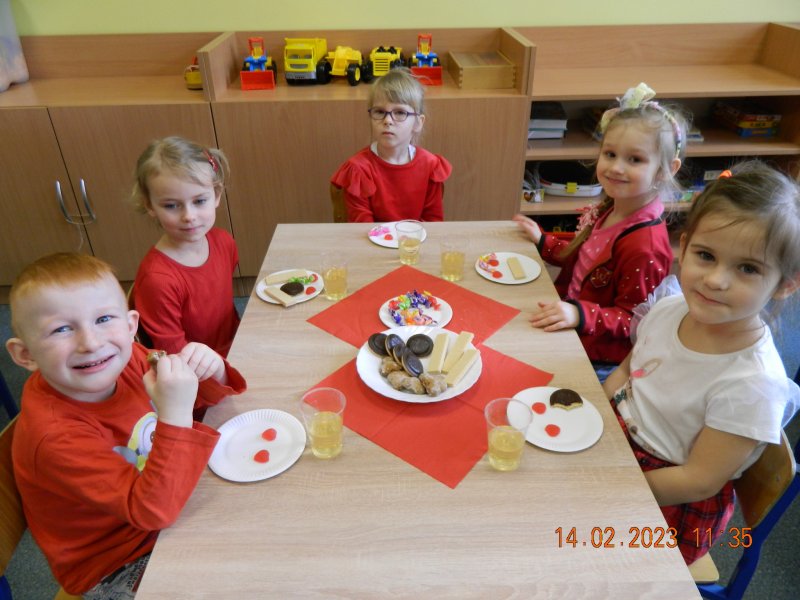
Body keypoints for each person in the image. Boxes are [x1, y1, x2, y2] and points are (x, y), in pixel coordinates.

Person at [5, 252, 247, 598]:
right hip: (117, 563)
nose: (91, 343)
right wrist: (176, 415)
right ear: (25, 355)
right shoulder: (54, 436)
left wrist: (213, 371)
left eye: (103, 319)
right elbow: (152, 511)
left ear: (131, 326)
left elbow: (193, 396)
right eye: (61, 329)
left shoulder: (128, 357)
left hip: (164, 504)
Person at [602, 161, 800, 565]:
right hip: (622, 442)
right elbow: (627, 372)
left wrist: (608, 485)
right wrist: (598, 422)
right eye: (706, 256)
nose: (715, 280)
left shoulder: (752, 384)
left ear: (785, 284)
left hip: (668, 502)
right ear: (685, 245)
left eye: (747, 268)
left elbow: (698, 480)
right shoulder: (671, 308)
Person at [513, 82, 686, 381]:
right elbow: (584, 257)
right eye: (610, 154)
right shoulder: (613, 207)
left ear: (665, 170)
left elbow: (633, 320)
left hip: (597, 357)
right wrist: (544, 241)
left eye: (635, 159)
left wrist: (580, 314)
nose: (616, 167)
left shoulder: (645, 246)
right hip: (571, 322)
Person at [131, 136, 240, 357]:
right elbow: (174, 355)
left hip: (237, 346)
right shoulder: (158, 280)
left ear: (216, 195)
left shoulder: (224, 242)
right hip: (195, 370)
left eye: (199, 201)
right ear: (150, 206)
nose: (189, 216)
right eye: (172, 205)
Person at [331, 67, 452, 223]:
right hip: (372, 238)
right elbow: (361, 227)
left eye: (400, 112)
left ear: (418, 123)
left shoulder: (430, 166)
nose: (387, 120)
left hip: (416, 239)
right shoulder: (358, 170)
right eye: (380, 112)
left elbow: (433, 222)